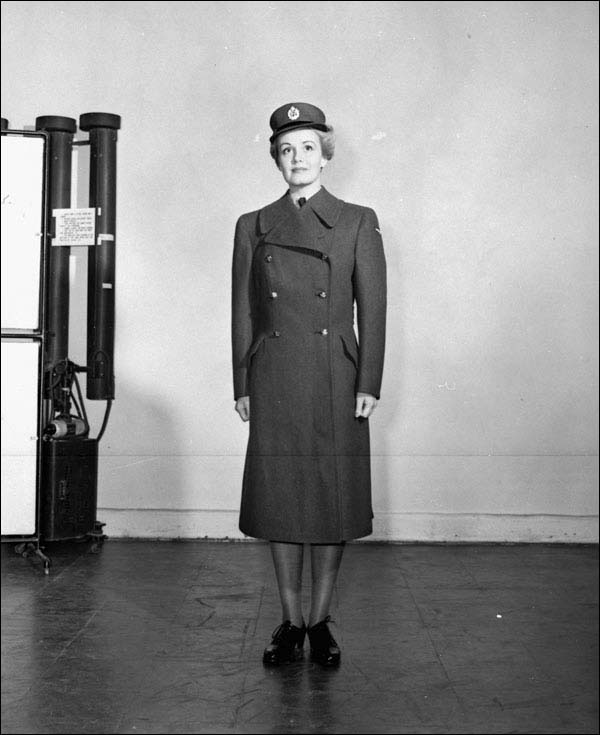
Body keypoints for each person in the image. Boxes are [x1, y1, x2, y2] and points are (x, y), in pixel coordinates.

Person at [231, 102, 386, 667]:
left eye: (307, 147)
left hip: (334, 373)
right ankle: (289, 621)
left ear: (326, 155)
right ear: (277, 158)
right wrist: (241, 380)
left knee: (328, 499)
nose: (297, 158)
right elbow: (243, 312)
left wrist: (368, 379)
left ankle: (320, 622)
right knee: (279, 500)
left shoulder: (356, 220)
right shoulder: (253, 225)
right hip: (273, 373)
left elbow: (373, 309)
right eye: (286, 149)